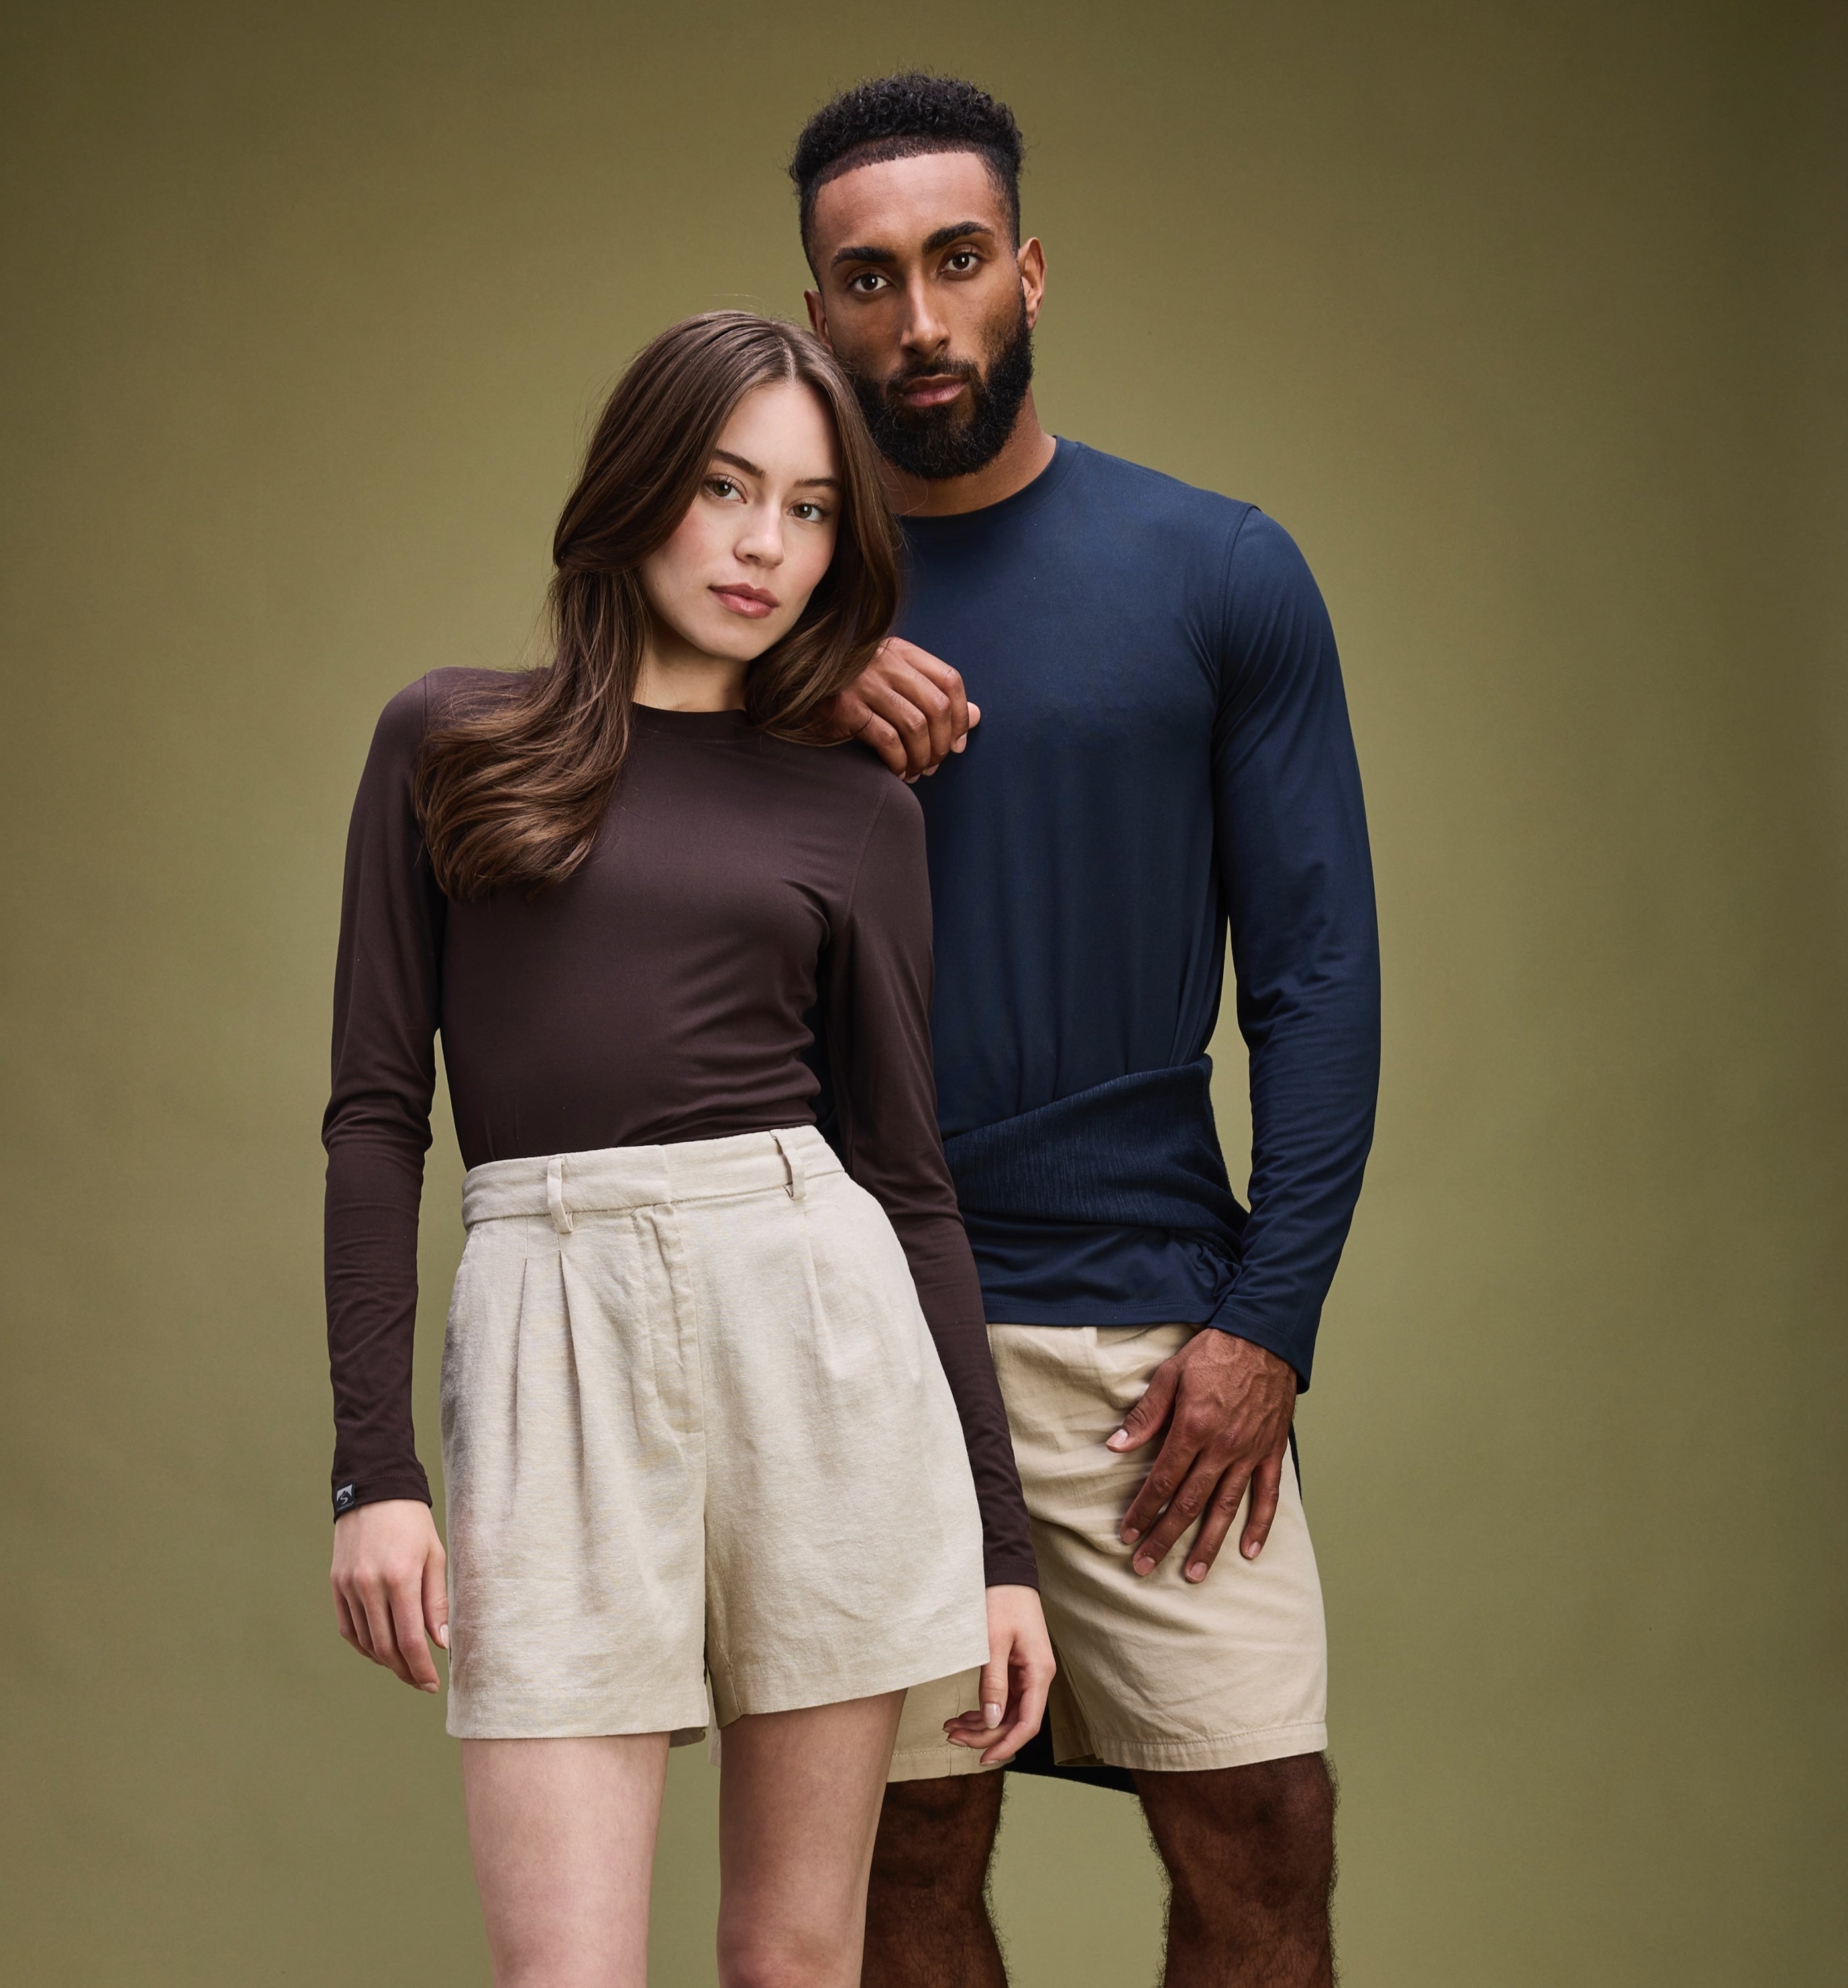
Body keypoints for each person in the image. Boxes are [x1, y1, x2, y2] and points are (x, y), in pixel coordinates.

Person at [318, 311, 1054, 1988]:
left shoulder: (856, 810)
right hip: (549, 1322)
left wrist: (1003, 1552)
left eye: (809, 509)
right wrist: (375, 1472)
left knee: (794, 1958)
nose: (763, 545)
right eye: (726, 488)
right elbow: (375, 1116)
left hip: (813, 1324)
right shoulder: (449, 740)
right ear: (639, 485)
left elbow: (908, 1178)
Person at [788, 78, 1383, 1987]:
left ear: (1029, 272)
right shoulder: (760, 609)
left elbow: (1317, 977)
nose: (920, 318)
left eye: (957, 260)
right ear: (818, 315)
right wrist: (792, 672)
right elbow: (574, 828)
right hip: (858, 1325)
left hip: (1146, 1323)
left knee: (1263, 1831)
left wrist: (1269, 1323)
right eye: (869, 278)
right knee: (898, 1860)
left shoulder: (1219, 572)